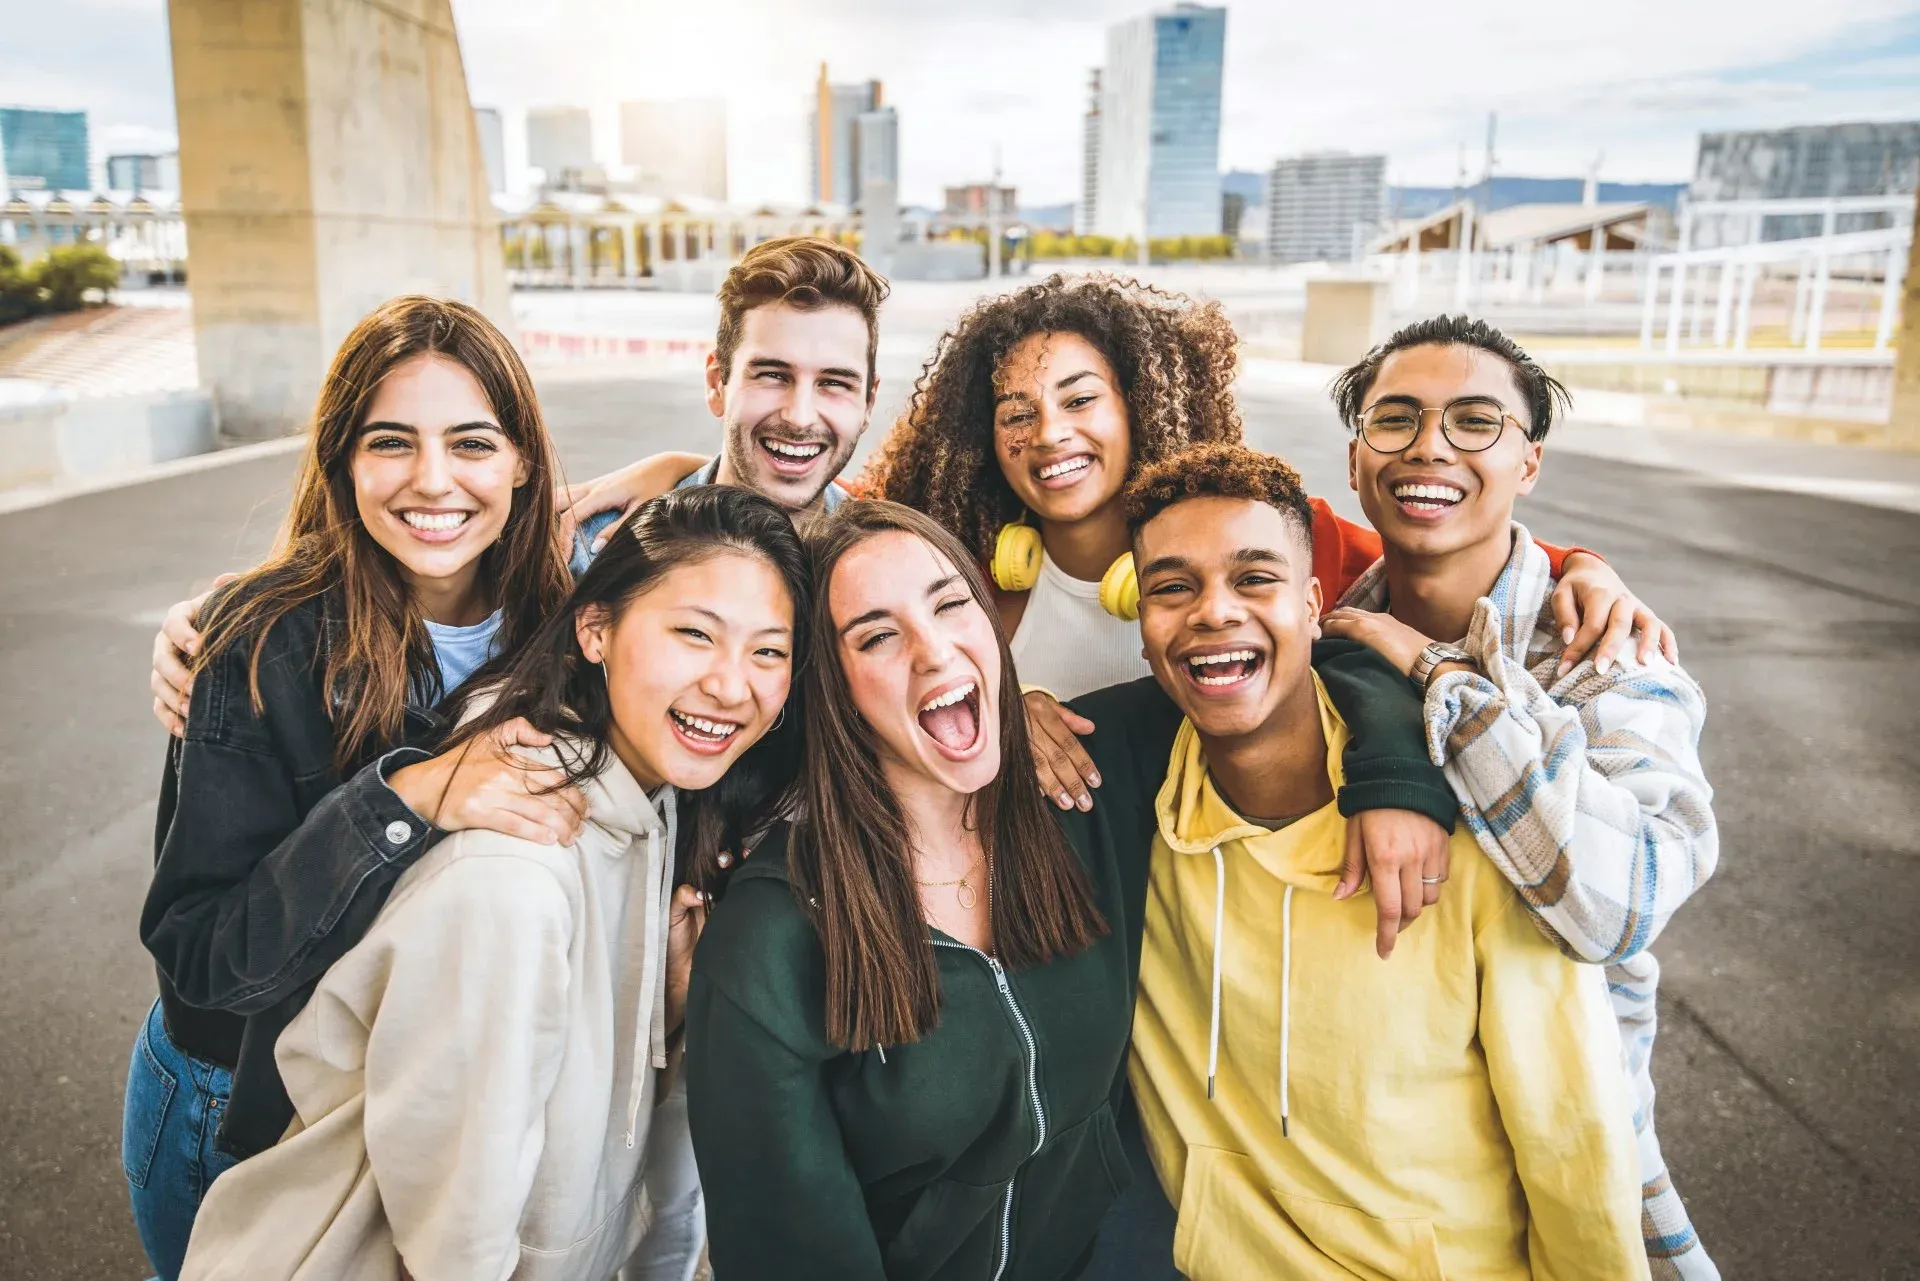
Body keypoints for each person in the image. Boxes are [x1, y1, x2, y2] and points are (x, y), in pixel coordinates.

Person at [682, 500, 1459, 1280]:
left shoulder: (1085, 779)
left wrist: (1395, 770)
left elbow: (1289, 666)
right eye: (877, 635)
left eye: (952, 603)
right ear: (833, 685)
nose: (934, 650)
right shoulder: (770, 941)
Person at [178, 484, 808, 1281]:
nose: (731, 683)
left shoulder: (663, 803)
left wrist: (669, 1010)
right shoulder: (513, 877)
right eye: (693, 633)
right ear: (596, 629)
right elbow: (454, 1254)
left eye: (769, 651)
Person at [127, 297, 587, 1280]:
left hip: (430, 1097)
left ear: (523, 462)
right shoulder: (257, 642)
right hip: (238, 1101)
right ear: (342, 463)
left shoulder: (576, 626)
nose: (433, 481)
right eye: (391, 443)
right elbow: (206, 959)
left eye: (471, 442)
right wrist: (409, 799)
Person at [1122, 443, 1649, 1280]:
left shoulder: (1471, 839)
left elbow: (1571, 1141)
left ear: (1315, 605)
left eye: (1254, 579)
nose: (1213, 611)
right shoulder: (1130, 813)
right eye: (1172, 587)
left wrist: (1580, 564)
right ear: (1140, 621)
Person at [1316, 315, 1720, 1280]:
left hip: (1553, 1155)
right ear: (1356, 458)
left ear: (1527, 462)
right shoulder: (1316, 637)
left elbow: (1621, 905)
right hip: (1355, 1160)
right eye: (1397, 420)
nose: (1429, 447)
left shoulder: (1612, 659)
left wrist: (1440, 681)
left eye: (1474, 423)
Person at [144, 235, 887, 738]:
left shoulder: (884, 571)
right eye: (771, 374)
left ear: (867, 400)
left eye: (834, 384)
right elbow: (427, 591)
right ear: (717, 383)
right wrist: (237, 632)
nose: (799, 412)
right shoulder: (590, 546)